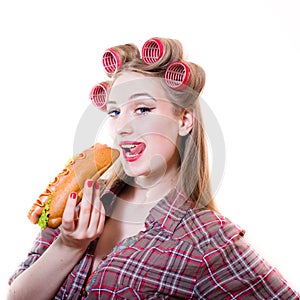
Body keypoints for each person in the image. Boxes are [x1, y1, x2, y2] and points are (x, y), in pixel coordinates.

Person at [7, 37, 299, 299]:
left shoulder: (208, 240)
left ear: (184, 120)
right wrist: (69, 245)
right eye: (115, 112)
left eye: (143, 109)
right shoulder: (81, 202)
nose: (122, 127)